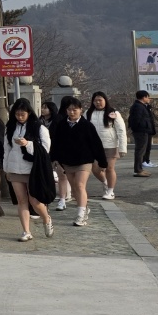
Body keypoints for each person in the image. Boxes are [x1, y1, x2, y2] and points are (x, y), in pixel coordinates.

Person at [49, 97, 108, 228]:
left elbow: (96, 144)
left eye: (74, 110)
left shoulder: (87, 126)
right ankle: (84, 207)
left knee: (80, 185)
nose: (72, 112)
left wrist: (102, 162)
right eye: (69, 110)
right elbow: (56, 143)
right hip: (67, 161)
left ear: (81, 110)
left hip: (84, 160)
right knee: (75, 187)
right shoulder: (61, 125)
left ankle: (80, 214)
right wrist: (54, 158)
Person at [2, 98, 54, 242]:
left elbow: (45, 150)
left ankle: (46, 218)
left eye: (22, 114)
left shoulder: (39, 128)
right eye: (17, 114)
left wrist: (28, 144)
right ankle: (26, 231)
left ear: (29, 113)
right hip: (15, 168)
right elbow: (6, 149)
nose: (19, 116)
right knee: (21, 200)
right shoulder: (10, 127)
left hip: (33, 169)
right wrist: (6, 169)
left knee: (34, 201)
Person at [87, 91, 127, 201]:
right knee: (95, 169)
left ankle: (110, 191)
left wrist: (123, 148)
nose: (98, 102)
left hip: (110, 145)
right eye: (95, 100)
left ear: (105, 100)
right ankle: (105, 182)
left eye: (100, 100)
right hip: (94, 146)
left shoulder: (114, 113)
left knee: (109, 168)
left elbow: (121, 131)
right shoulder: (88, 113)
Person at [128, 91, 156, 176]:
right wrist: (139, 129)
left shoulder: (141, 106)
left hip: (143, 131)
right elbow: (136, 120)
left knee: (141, 151)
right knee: (140, 151)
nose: (149, 99)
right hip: (141, 131)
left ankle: (139, 169)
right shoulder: (138, 106)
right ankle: (138, 170)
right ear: (144, 97)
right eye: (148, 97)